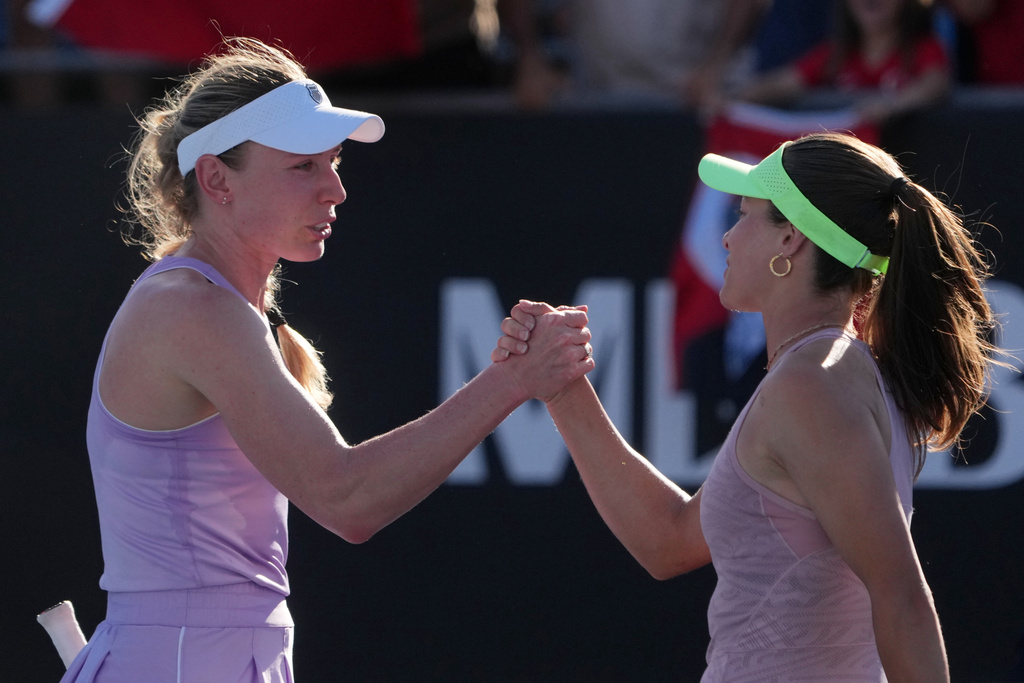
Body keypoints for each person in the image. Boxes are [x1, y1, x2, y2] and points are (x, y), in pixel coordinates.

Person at [63, 37, 594, 683]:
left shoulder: (221, 305)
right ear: (216, 179)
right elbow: (349, 498)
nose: (336, 189)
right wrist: (513, 381)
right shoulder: (190, 307)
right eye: (303, 166)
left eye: (334, 162)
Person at [495, 131, 1006, 679]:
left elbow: (902, 599)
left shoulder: (811, 385)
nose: (728, 238)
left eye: (745, 217)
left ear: (790, 239)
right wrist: (563, 387)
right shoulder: (827, 372)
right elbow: (668, 540)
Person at [725, 0, 951, 124]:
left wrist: (893, 106)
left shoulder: (924, 48)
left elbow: (935, 83)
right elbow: (785, 81)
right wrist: (728, 100)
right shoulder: (835, 54)